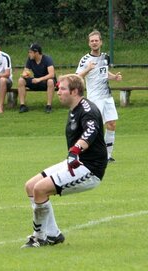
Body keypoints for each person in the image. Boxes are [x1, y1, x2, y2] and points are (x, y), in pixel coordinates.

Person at [20, 74, 107, 248]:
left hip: (90, 168)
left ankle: (39, 237)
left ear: (74, 91)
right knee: (31, 186)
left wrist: (76, 150)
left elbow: (91, 131)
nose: (58, 92)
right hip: (76, 162)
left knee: (40, 189)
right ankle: (53, 234)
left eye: (62, 89)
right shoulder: (75, 108)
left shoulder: (88, 109)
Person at [76, 30, 122, 162]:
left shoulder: (105, 57)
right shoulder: (85, 59)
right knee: (94, 127)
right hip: (95, 98)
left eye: (96, 40)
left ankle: (107, 155)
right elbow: (77, 76)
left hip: (107, 96)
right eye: (92, 41)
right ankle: (86, 154)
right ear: (89, 43)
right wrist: (88, 69)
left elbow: (104, 72)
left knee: (112, 124)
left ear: (101, 42)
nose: (94, 43)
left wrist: (115, 77)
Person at [18, 43, 56, 113]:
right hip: (36, 81)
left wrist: (39, 79)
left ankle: (48, 106)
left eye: (30, 52)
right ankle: (22, 105)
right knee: (21, 80)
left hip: (45, 82)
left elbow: (51, 74)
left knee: (50, 81)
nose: (29, 54)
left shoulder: (47, 59)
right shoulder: (30, 59)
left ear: (36, 53)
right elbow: (25, 71)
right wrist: (24, 74)